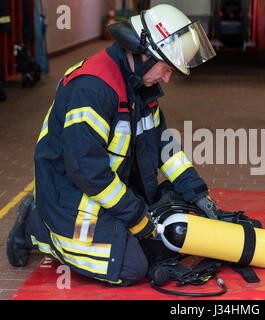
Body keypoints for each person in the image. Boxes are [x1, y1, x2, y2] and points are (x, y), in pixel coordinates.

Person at [6, 4, 219, 287]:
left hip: (104, 191)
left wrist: (196, 192)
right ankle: (37, 225)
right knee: (130, 266)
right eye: (166, 68)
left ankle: (123, 226)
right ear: (145, 54)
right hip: (69, 196)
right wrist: (136, 216)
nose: (168, 78)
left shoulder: (140, 87)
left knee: (170, 238)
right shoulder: (93, 88)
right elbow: (87, 171)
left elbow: (164, 147)